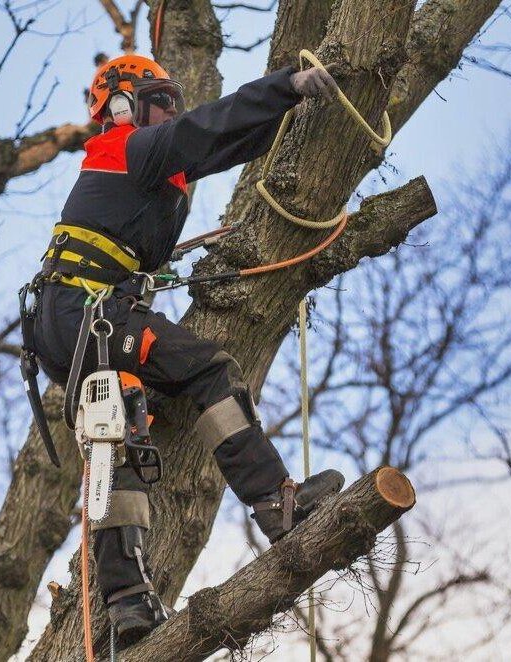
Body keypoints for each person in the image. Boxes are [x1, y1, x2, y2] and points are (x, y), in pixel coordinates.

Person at [31, 53, 345, 646]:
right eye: (159, 103)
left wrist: (289, 110)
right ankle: (278, 504)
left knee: (118, 435)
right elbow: (209, 128)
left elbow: (223, 143)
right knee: (208, 369)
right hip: (86, 312)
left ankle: (127, 603)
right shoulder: (127, 146)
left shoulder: (144, 165)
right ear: (122, 107)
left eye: (172, 104)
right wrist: (287, 84)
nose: (170, 114)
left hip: (65, 319)